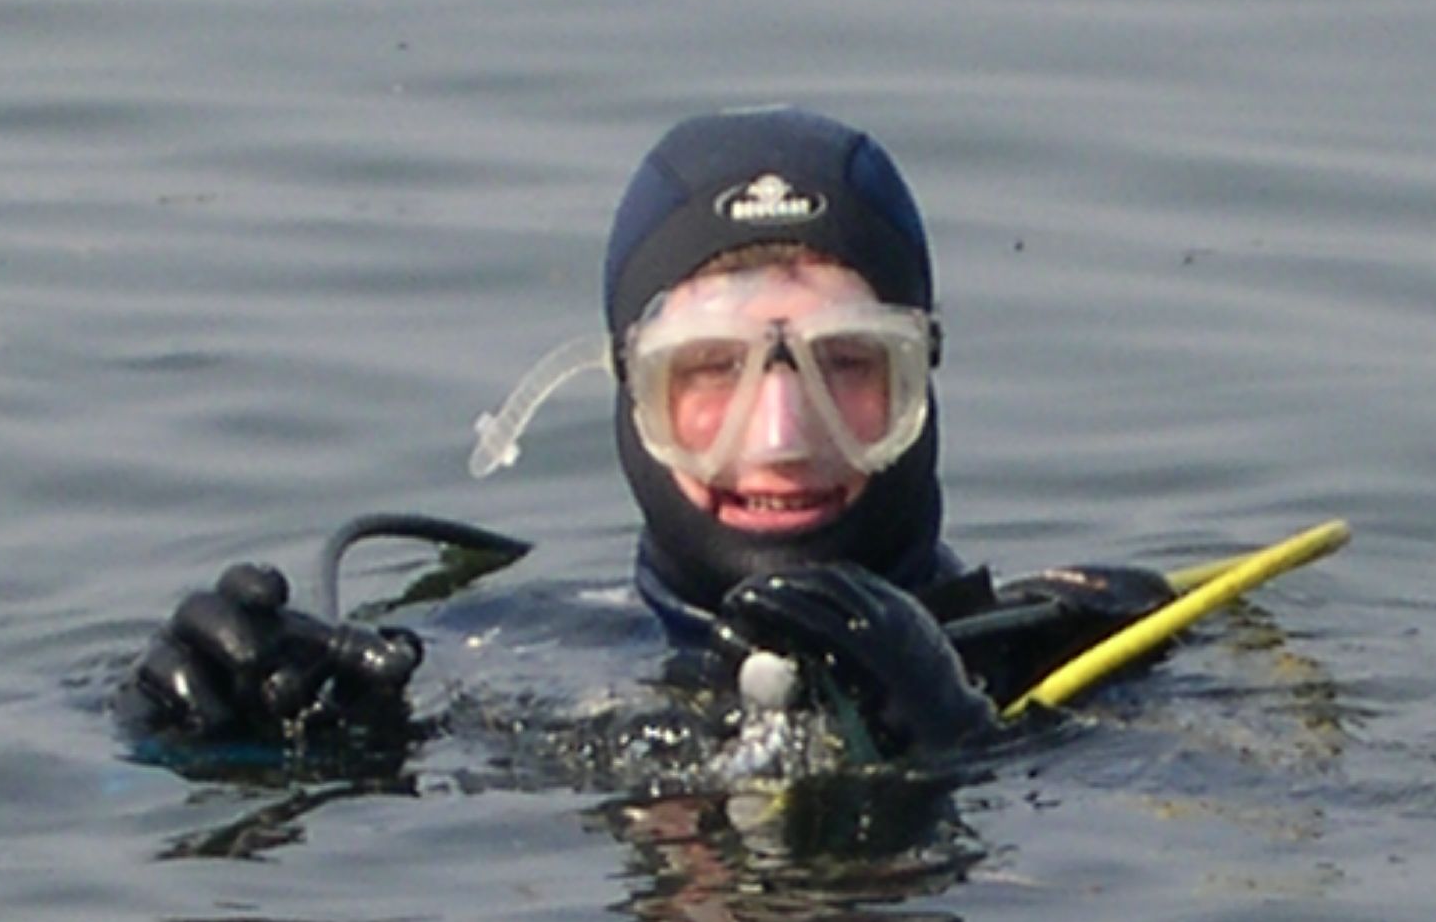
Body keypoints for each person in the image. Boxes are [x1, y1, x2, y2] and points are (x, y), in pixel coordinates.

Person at [119, 106, 1175, 766]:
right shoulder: (488, 655)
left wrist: (961, 755)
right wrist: (208, 733)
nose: (781, 436)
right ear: (627, 392)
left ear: (923, 378)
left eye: (850, 364)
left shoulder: (1107, 657)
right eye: (708, 369)